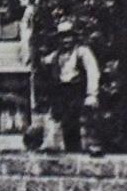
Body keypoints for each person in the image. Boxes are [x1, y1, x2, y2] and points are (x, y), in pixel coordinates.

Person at [41, 20, 102, 154]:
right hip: (63, 92)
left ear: (74, 37)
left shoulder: (82, 52)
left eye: (69, 36)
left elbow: (93, 71)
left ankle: (92, 147)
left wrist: (92, 94)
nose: (66, 40)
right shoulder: (56, 55)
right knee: (66, 122)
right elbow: (45, 64)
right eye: (63, 37)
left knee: (85, 119)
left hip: (78, 89)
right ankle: (71, 152)